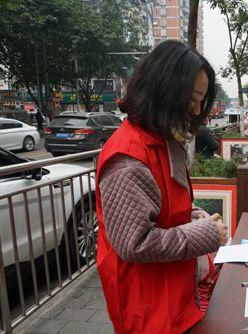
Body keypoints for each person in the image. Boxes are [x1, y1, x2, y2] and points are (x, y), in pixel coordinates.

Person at [95, 41, 228, 334]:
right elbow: (135, 243)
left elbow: (162, 206)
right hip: (149, 309)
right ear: (164, 90)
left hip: (171, 296)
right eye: (192, 99)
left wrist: (194, 215)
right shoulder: (128, 156)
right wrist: (204, 234)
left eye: (201, 101)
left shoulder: (160, 140)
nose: (196, 111)